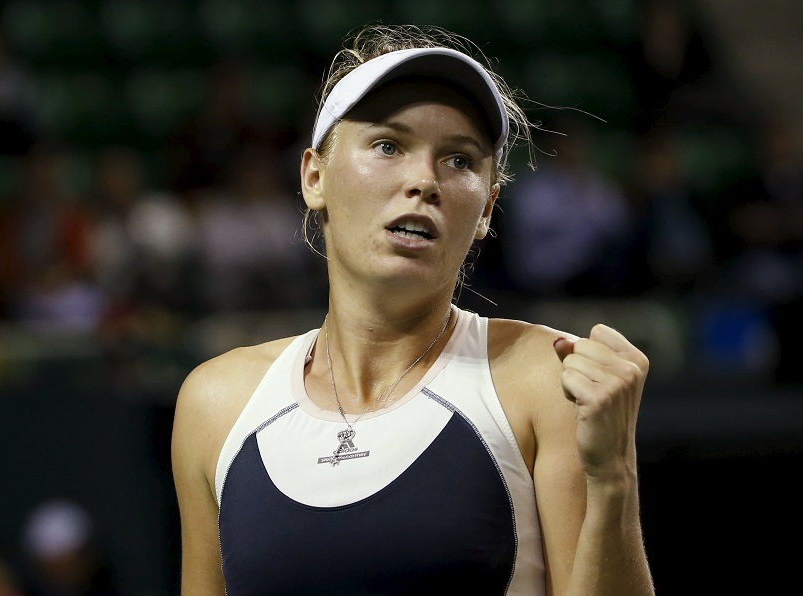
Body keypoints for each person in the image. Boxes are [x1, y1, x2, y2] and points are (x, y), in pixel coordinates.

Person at [172, 23, 655, 595]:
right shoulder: (215, 404)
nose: (424, 180)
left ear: (486, 210)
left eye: (458, 161)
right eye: (387, 145)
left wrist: (613, 479)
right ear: (314, 176)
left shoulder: (546, 379)